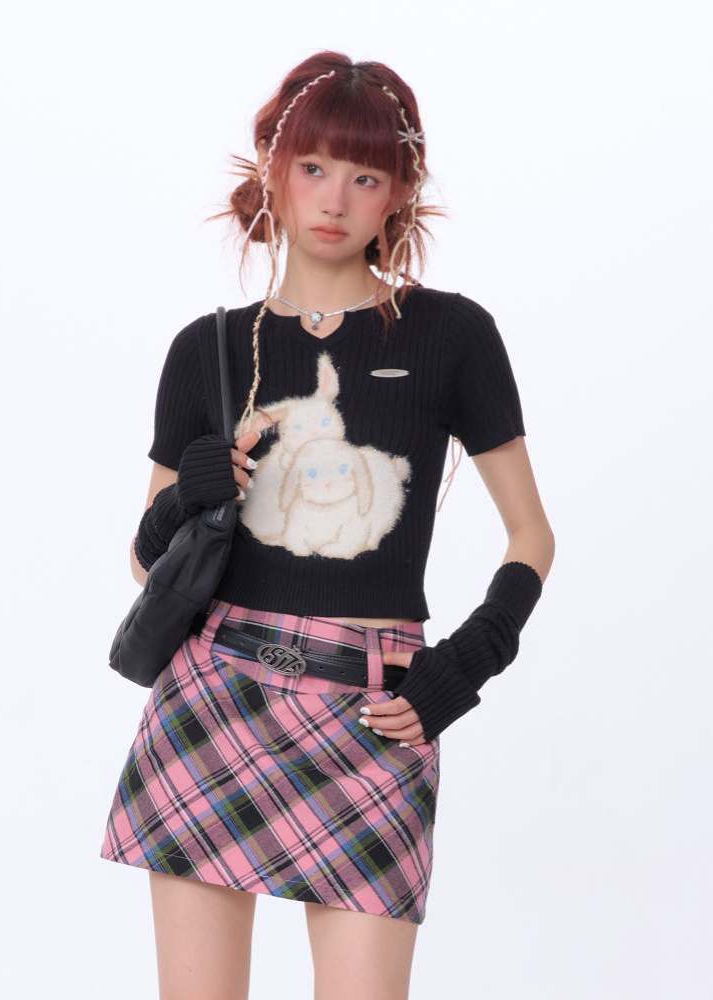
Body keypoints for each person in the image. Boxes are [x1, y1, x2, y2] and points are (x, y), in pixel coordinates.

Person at [100, 50, 555, 1000]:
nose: (335, 200)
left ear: (400, 193)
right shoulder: (207, 349)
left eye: (365, 176)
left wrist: (463, 667)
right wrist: (188, 491)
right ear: (274, 169)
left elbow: (532, 538)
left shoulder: (452, 335)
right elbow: (147, 563)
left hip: (376, 712)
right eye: (312, 168)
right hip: (213, 697)